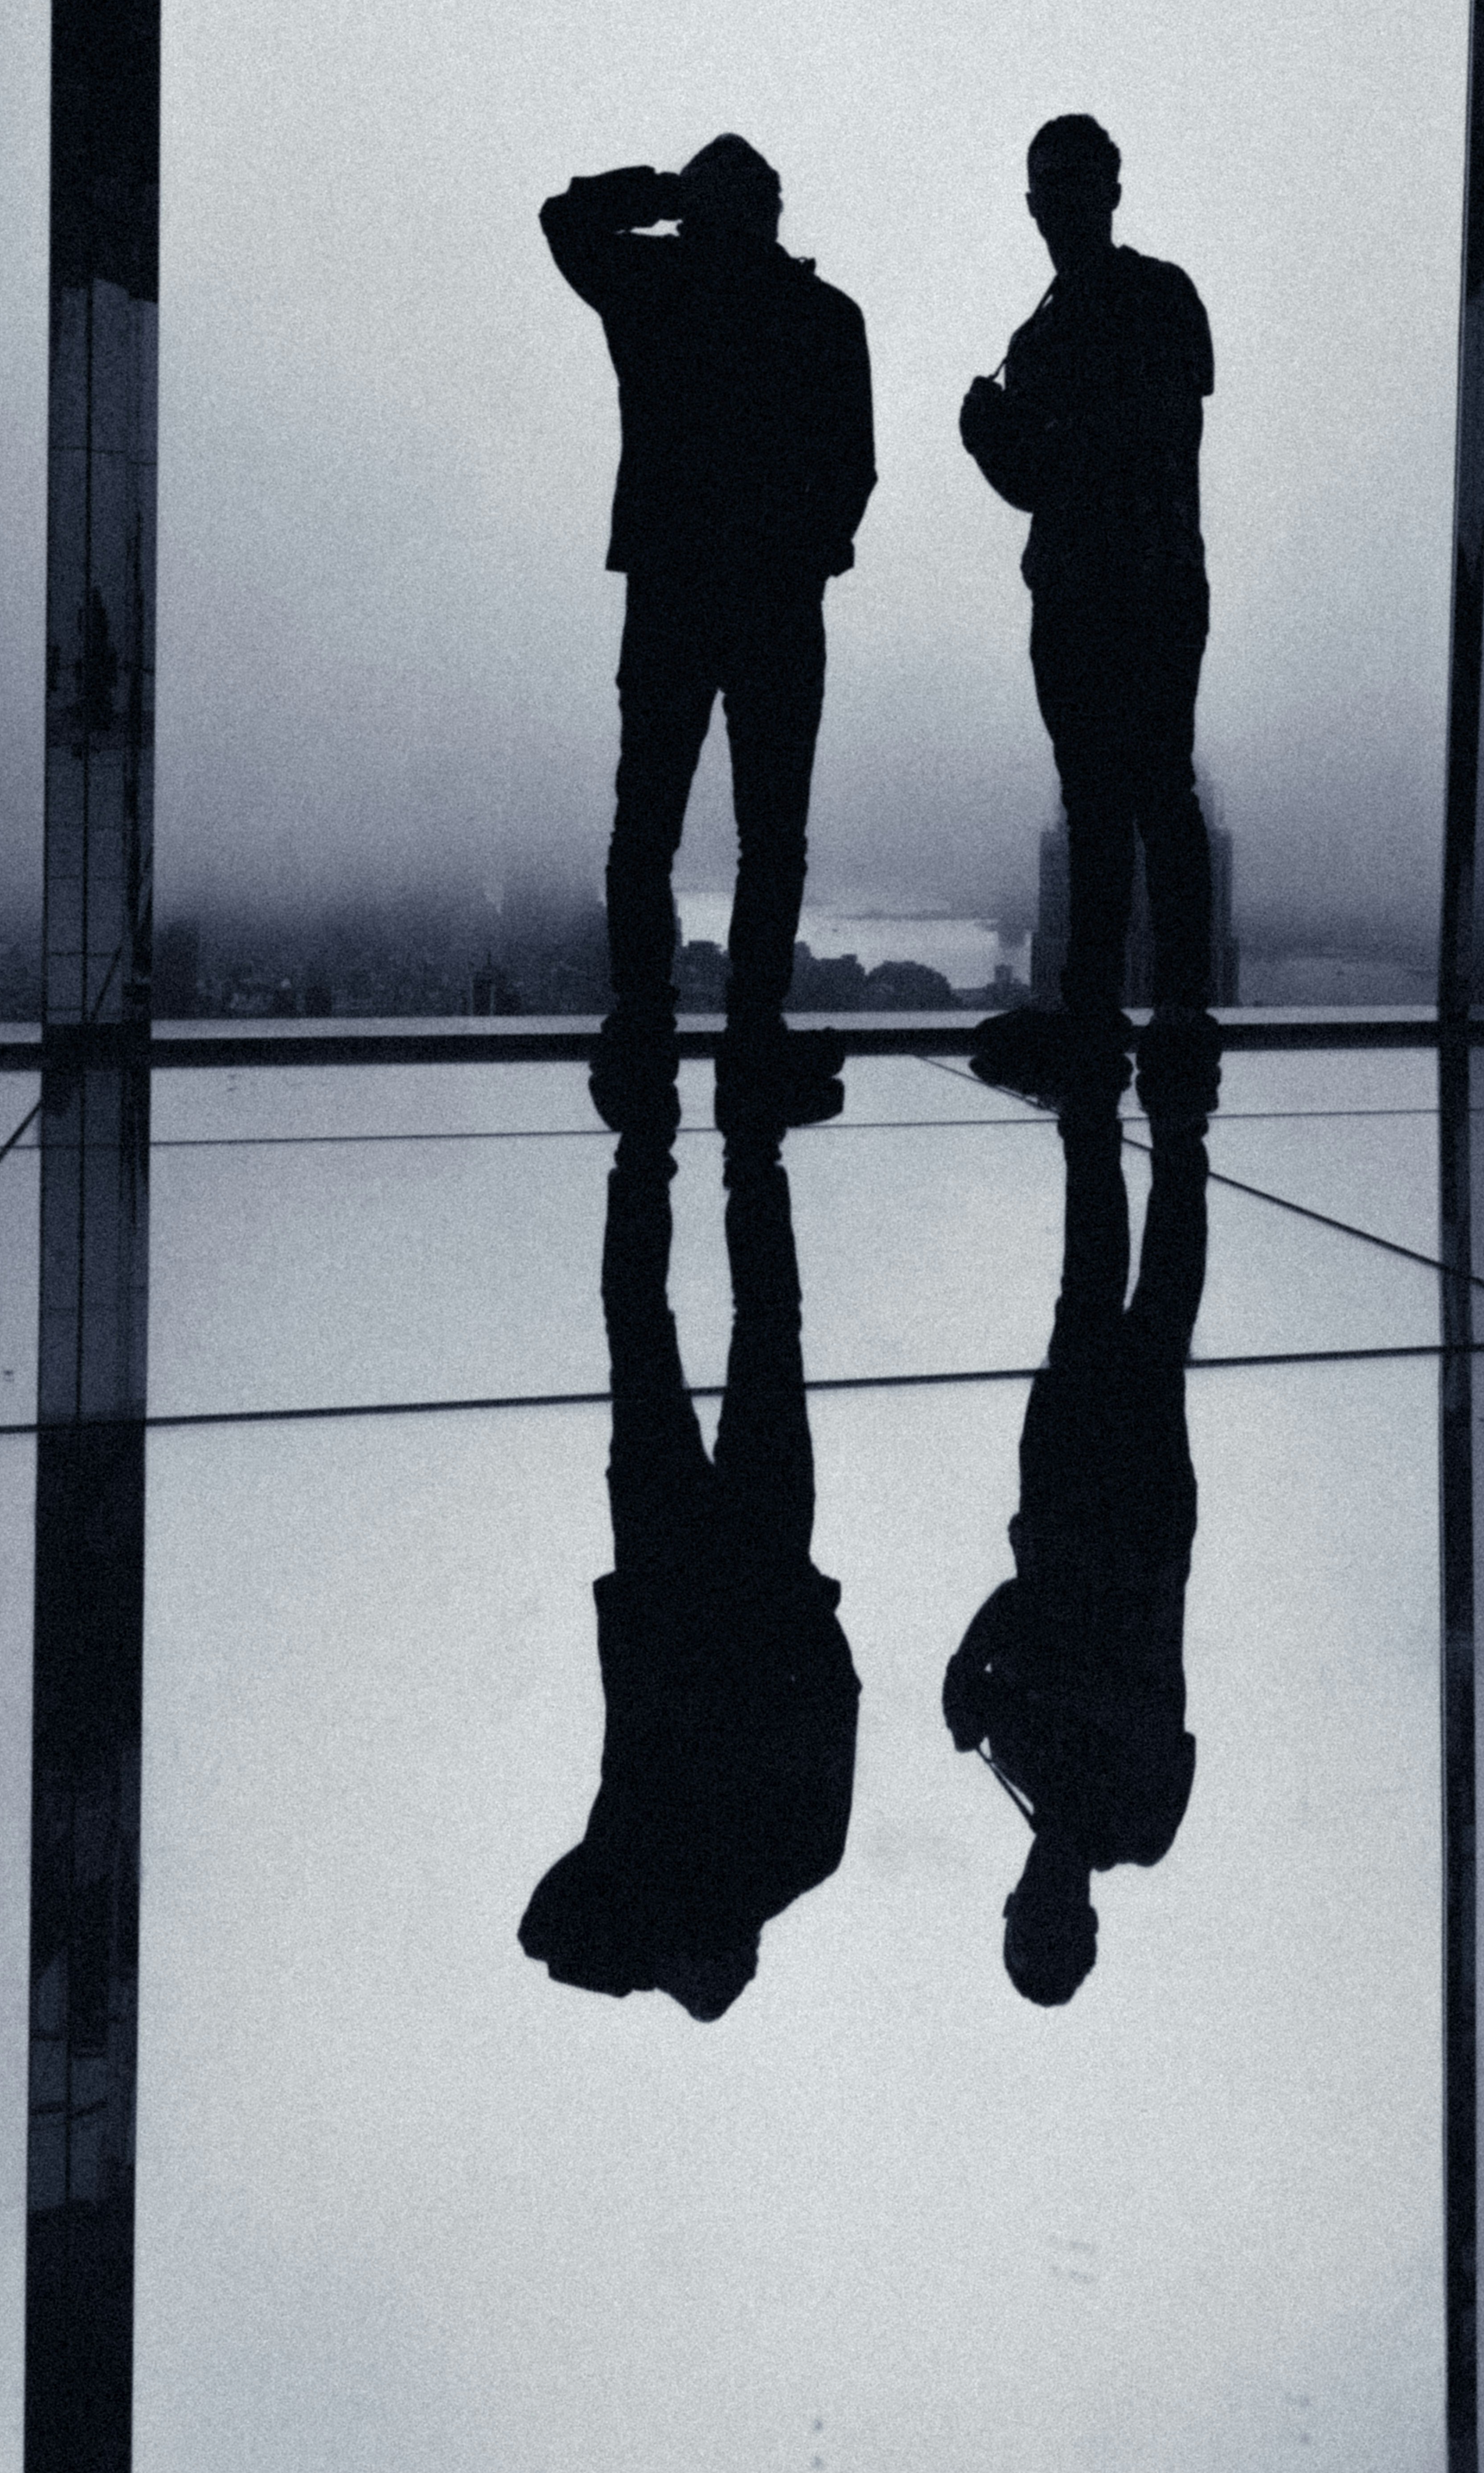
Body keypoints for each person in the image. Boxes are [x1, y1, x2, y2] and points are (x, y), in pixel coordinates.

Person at [539, 135, 874, 1124]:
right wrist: (810, 552)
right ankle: (750, 1037)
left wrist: (658, 193)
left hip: (675, 591)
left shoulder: (654, 287)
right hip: (773, 603)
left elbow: (565, 219)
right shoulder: (821, 315)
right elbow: (853, 469)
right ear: (772, 210)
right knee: (767, 837)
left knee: (650, 825)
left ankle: (646, 1027)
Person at [517, 1085, 860, 2019]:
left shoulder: (791, 1859)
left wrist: (803, 1608)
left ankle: (744, 1141)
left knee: (759, 1328)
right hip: (681, 1574)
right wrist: (645, 1959)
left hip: (753, 1565)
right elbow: (545, 1933)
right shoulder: (648, 1871)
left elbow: (838, 1696)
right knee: (649, 1330)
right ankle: (653, 1141)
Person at [958, 112, 1219, 1108]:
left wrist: (999, 437)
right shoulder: (1143, 301)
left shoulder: (1097, 316)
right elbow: (1079, 462)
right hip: (1127, 583)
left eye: (1071, 188)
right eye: (1053, 191)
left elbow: (1091, 454)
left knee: (1126, 799)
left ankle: (1120, 1007)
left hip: (1111, 587)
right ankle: (1155, 1008)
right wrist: (999, 441)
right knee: (1136, 798)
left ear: (1106, 193)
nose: (1060, 209)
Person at [941, 1090, 1206, 2003]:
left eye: (1028, 1912)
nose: (1040, 1894)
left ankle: (1141, 1119)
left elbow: (1037, 1624)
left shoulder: (1032, 1760)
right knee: (1133, 1311)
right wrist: (977, 1676)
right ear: (1079, 1918)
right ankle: (1123, 1117)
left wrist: (974, 1669)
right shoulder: (1134, 1824)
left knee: (1116, 1304)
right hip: (1122, 1519)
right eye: (1051, 1916)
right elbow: (1137, 1702)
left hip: (1084, 1508)